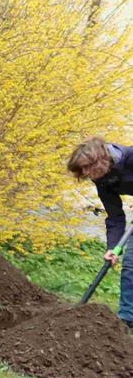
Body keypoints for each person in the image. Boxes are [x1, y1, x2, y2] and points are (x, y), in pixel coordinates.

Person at [67, 137, 133, 331]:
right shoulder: (103, 180)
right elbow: (115, 217)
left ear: (100, 159)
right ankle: (128, 318)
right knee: (131, 264)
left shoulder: (129, 158)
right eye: (83, 171)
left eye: (87, 167)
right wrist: (112, 248)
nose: (86, 174)